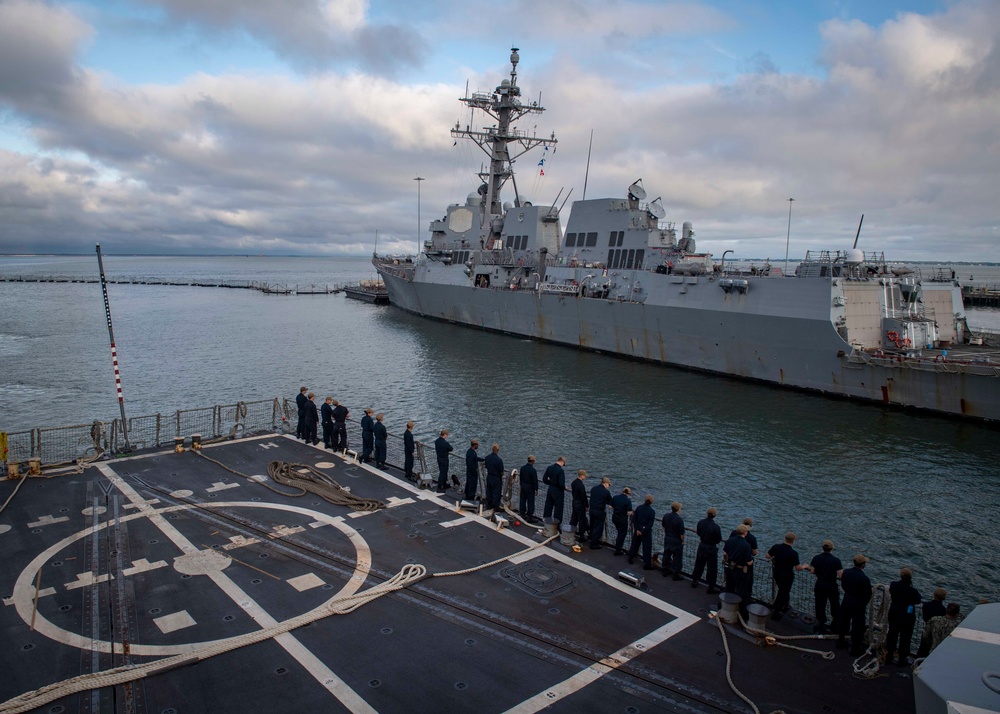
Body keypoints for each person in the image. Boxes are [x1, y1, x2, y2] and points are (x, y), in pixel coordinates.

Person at [766, 532, 808, 620]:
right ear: (793, 541)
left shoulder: (776, 547)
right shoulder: (793, 553)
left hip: (777, 573)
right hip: (787, 576)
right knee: (783, 592)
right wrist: (805, 566)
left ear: (785, 538)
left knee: (782, 591)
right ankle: (777, 610)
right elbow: (798, 568)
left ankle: (784, 606)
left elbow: (767, 556)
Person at [838, 554, 873, 656]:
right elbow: (868, 595)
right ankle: (854, 648)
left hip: (847, 599)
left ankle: (840, 641)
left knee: (844, 621)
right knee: (857, 625)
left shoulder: (846, 572)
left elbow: (843, 585)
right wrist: (863, 603)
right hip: (858, 603)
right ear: (863, 565)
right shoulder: (864, 578)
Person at [885, 567, 921, 665]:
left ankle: (889, 654)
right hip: (907, 616)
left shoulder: (894, 585)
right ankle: (902, 658)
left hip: (894, 612)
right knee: (905, 637)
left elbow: (892, 591)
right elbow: (918, 600)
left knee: (892, 633)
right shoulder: (913, 591)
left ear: (901, 576)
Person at [809, 540, 842, 634]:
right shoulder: (836, 560)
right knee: (835, 604)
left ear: (822, 548)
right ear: (832, 548)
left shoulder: (816, 558)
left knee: (820, 605)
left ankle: (821, 624)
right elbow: (840, 575)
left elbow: (812, 571)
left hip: (820, 584)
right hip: (831, 585)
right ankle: (835, 624)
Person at [723, 524, 754, 620]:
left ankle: (726, 607)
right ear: (745, 533)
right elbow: (749, 562)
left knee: (729, 587)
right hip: (741, 570)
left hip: (731, 567)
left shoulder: (730, 540)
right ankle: (742, 613)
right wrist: (752, 560)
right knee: (742, 592)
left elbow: (725, 553)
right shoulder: (746, 545)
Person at [690, 507, 722, 594]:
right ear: (715, 515)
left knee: (699, 564)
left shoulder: (701, 522)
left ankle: (694, 581)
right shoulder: (716, 527)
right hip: (711, 548)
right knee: (711, 568)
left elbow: (698, 533)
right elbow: (718, 539)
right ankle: (710, 587)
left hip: (702, 545)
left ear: (707, 513)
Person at [916, 587, 948, 658]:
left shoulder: (926, 605)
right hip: (937, 630)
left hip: (927, 628)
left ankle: (917, 662)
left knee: (923, 647)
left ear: (934, 595)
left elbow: (925, 618)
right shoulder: (943, 610)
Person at [627, 494, 656, 570]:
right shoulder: (652, 512)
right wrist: (643, 531)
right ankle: (647, 564)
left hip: (637, 530)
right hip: (646, 532)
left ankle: (631, 558)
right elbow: (650, 524)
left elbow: (634, 520)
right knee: (646, 548)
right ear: (651, 502)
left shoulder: (639, 508)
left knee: (634, 544)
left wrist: (637, 529)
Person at [661, 502, 685, 580]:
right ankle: (676, 574)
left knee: (666, 555)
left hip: (668, 538)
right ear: (678, 509)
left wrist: (667, 535)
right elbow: (681, 533)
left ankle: (664, 570)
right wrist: (682, 541)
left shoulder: (666, 516)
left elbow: (664, 527)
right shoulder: (679, 520)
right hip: (676, 540)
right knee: (677, 558)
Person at [588, 477, 612, 549]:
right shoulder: (606, 492)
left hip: (591, 510)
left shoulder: (593, 489)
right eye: (608, 485)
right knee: (598, 527)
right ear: (605, 484)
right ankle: (594, 543)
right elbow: (610, 501)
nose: (608, 487)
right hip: (599, 511)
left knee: (592, 525)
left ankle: (591, 538)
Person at [542, 457, 567, 522]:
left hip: (550, 489)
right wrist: (564, 487)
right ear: (562, 461)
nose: (563, 466)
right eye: (563, 464)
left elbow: (544, 479)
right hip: (558, 491)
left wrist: (550, 482)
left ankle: (546, 522)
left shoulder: (549, 468)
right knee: (558, 509)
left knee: (548, 506)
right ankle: (556, 525)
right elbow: (561, 484)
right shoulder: (560, 471)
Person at [610, 487, 633, 555]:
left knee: (619, 532)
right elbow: (629, 512)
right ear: (628, 494)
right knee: (622, 534)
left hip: (614, 517)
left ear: (622, 491)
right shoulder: (627, 500)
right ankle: (618, 549)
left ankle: (617, 546)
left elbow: (610, 506)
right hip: (622, 519)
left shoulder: (615, 497)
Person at [569, 470, 589, 541]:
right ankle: (581, 536)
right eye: (585, 475)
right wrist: (586, 505)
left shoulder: (573, 482)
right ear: (582, 475)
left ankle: (570, 532)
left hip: (574, 501)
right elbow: (583, 496)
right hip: (580, 503)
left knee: (574, 518)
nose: (585, 477)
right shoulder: (581, 485)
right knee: (581, 519)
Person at [483, 443, 504, 512]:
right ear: (498, 450)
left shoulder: (487, 458)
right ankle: (496, 507)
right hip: (496, 478)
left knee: (489, 491)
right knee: (496, 493)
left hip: (489, 476)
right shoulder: (499, 460)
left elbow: (486, 466)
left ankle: (489, 504)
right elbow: (501, 471)